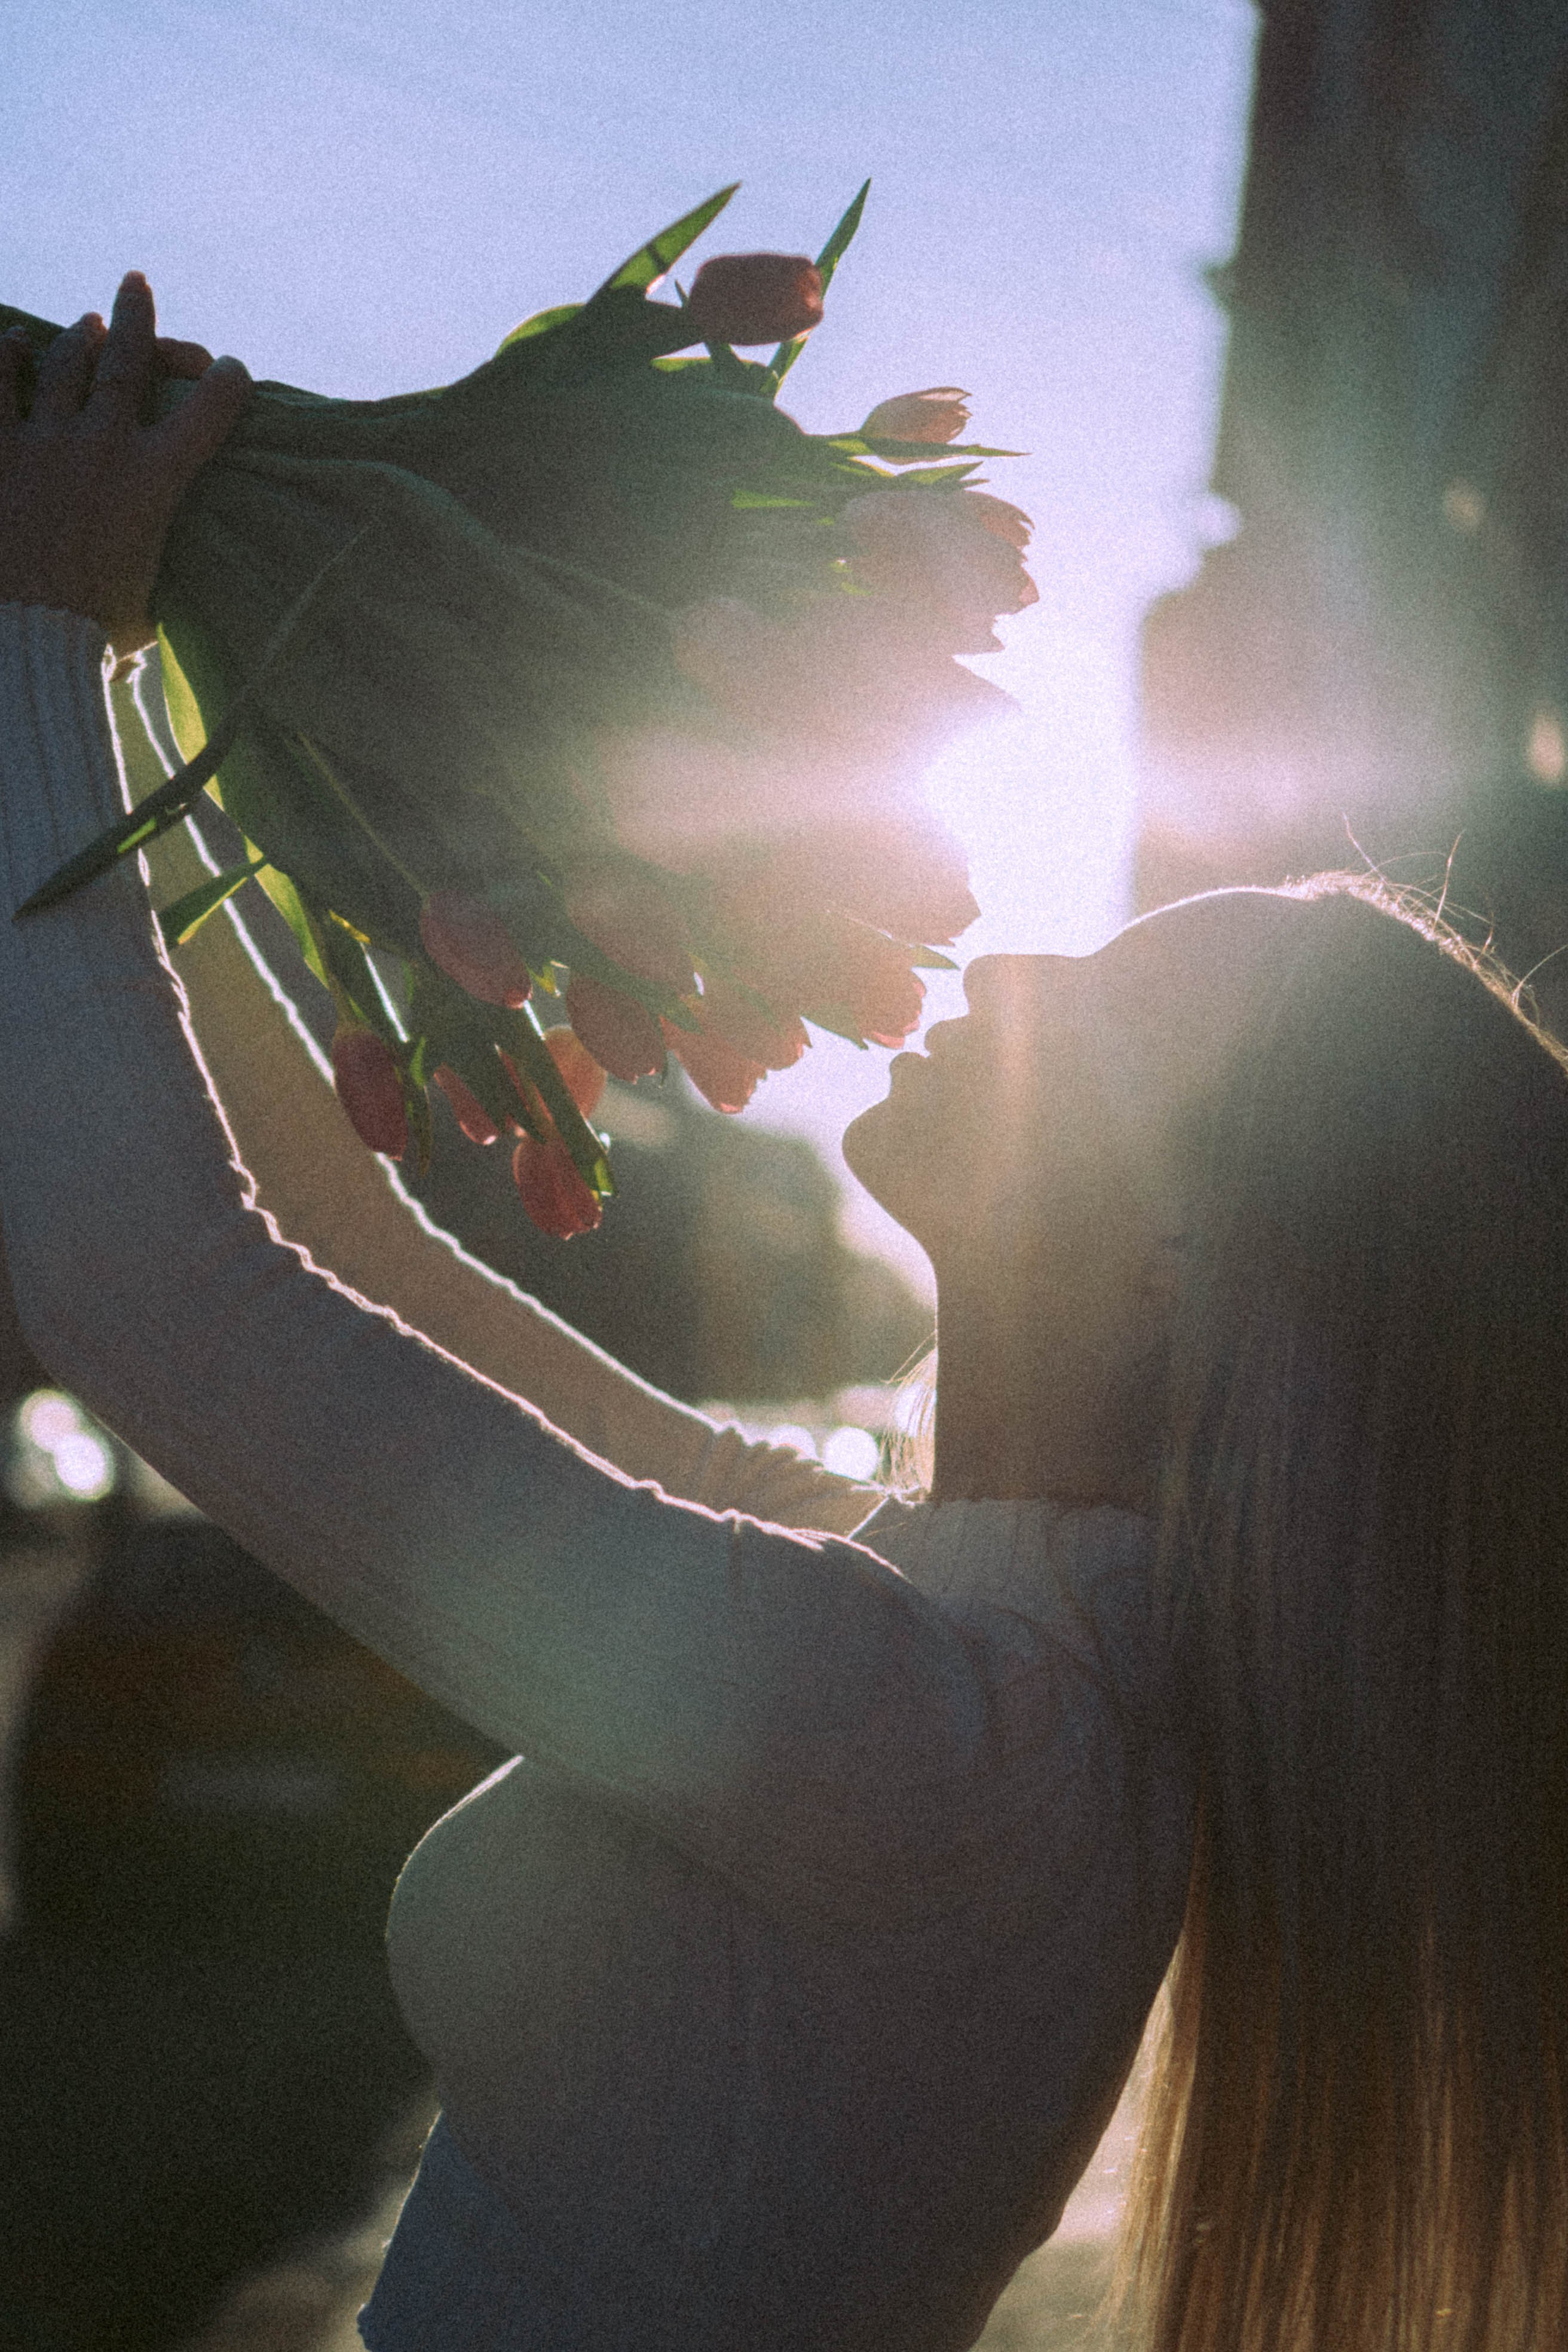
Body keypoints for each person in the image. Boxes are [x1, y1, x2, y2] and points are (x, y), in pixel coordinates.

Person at [1, 281, 1566, 2352]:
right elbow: (338, 1250)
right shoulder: (928, 1613)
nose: (1014, 978)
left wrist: (40, 630)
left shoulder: (963, 1743)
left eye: (1104, 1014)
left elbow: (156, 1290)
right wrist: (121, 641)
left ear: (1194, 1249)